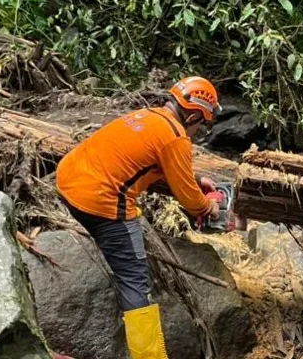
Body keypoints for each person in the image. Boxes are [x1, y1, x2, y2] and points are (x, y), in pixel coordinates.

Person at [56, 76, 222, 359]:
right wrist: (208, 208)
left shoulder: (148, 115)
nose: (198, 131)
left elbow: (156, 162)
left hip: (69, 180)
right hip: (101, 202)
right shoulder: (175, 137)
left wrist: (196, 178)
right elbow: (190, 201)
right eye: (201, 124)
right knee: (135, 281)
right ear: (193, 115)